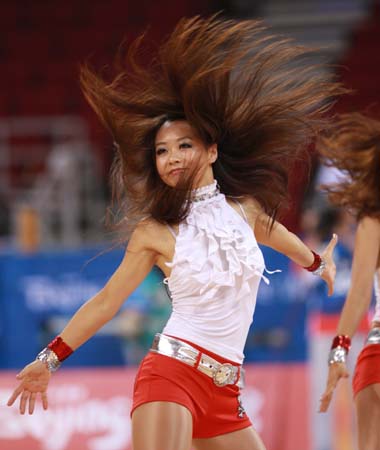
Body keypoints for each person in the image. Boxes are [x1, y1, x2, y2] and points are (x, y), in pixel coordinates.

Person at [7, 16, 340, 450]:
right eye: (162, 151)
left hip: (226, 391)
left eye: (184, 145)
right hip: (172, 375)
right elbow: (107, 301)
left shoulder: (247, 212)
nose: (172, 158)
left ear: (212, 150)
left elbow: (294, 247)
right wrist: (49, 359)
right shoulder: (154, 232)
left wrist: (320, 263)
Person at [318, 114, 380, 450]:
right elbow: (358, 292)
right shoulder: (374, 217)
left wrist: (338, 355)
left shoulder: (373, 218)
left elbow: (359, 293)